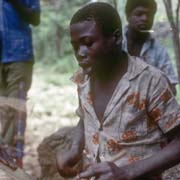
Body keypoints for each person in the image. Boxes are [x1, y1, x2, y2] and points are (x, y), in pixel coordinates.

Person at [56, 2, 180, 180]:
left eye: (88, 43)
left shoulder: (149, 81)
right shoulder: (83, 79)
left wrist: (128, 172)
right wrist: (75, 148)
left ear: (116, 38)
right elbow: (86, 118)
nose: (80, 53)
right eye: (75, 46)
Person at [0, 0, 40, 167]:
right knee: (3, 108)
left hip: (18, 54)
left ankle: (12, 158)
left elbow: (35, 18)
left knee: (14, 106)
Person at [122, 0, 178, 94]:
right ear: (128, 17)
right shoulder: (115, 44)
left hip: (150, 105)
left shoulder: (159, 50)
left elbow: (172, 88)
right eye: (139, 14)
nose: (145, 18)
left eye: (149, 15)